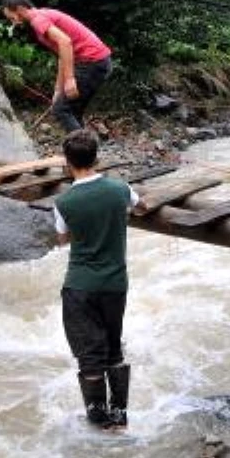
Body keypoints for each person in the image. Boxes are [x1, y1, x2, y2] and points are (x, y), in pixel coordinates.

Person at [53, 128, 145, 429]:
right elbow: (141, 206)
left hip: (80, 287)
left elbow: (62, 239)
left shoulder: (64, 202)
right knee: (114, 348)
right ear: (96, 158)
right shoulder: (120, 189)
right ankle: (119, 417)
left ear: (68, 162)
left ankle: (98, 421)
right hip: (115, 285)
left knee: (90, 357)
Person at [0, 0, 113, 132]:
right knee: (73, 111)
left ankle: (81, 144)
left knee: (61, 109)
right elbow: (62, 54)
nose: (13, 23)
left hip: (92, 62)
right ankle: (84, 144)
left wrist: (70, 79)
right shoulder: (42, 15)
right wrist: (58, 89)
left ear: (20, 9)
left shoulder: (38, 20)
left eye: (12, 18)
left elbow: (65, 42)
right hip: (99, 62)